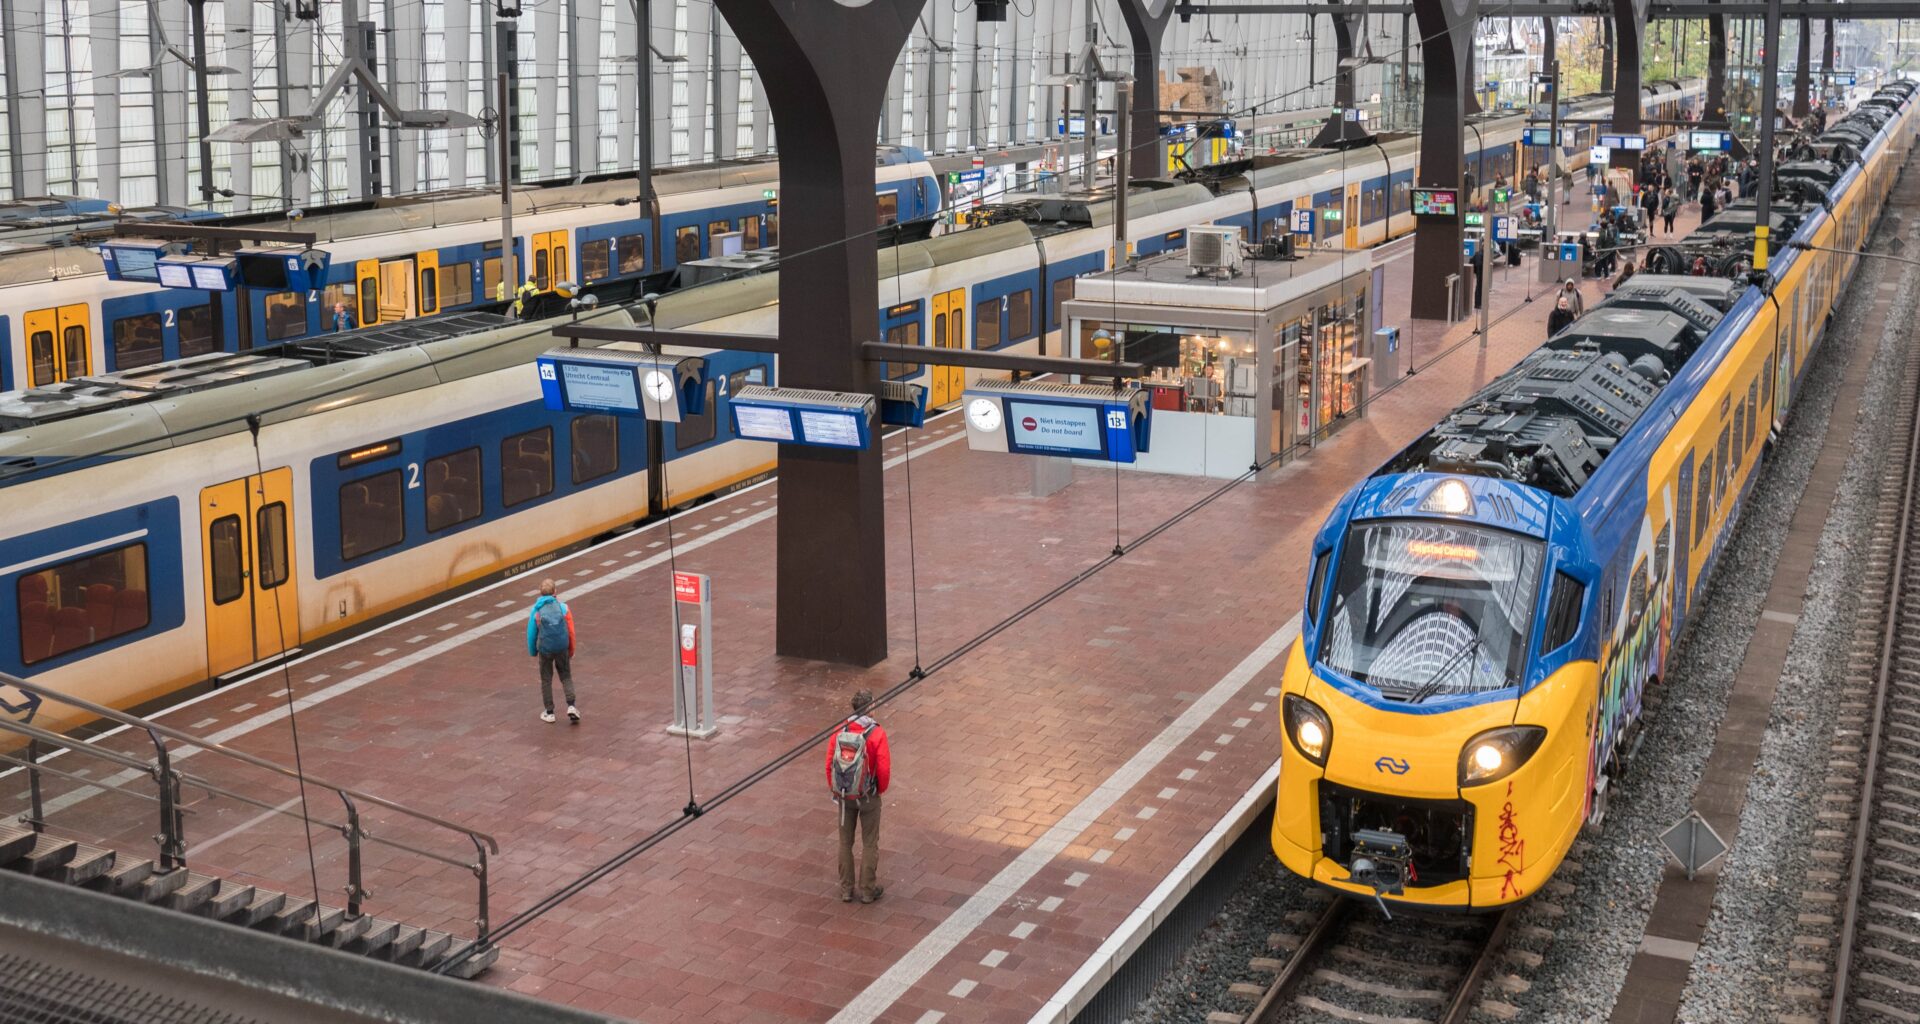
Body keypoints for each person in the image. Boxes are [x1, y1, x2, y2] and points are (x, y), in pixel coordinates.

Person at [827, 689, 890, 904]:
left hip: (845, 795)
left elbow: (829, 763)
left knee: (845, 842)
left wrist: (836, 789)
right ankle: (867, 890)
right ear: (870, 707)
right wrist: (879, 790)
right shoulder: (877, 733)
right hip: (868, 795)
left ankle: (846, 889)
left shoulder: (840, 730)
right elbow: (883, 769)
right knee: (870, 842)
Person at [525, 579, 579, 724]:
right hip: (562, 647)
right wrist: (571, 650)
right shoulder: (564, 608)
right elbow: (571, 632)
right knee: (566, 676)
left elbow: (531, 634)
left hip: (545, 649)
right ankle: (572, 706)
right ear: (555, 591)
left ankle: (549, 713)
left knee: (546, 680)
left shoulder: (536, 610)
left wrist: (533, 651)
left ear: (540, 593)